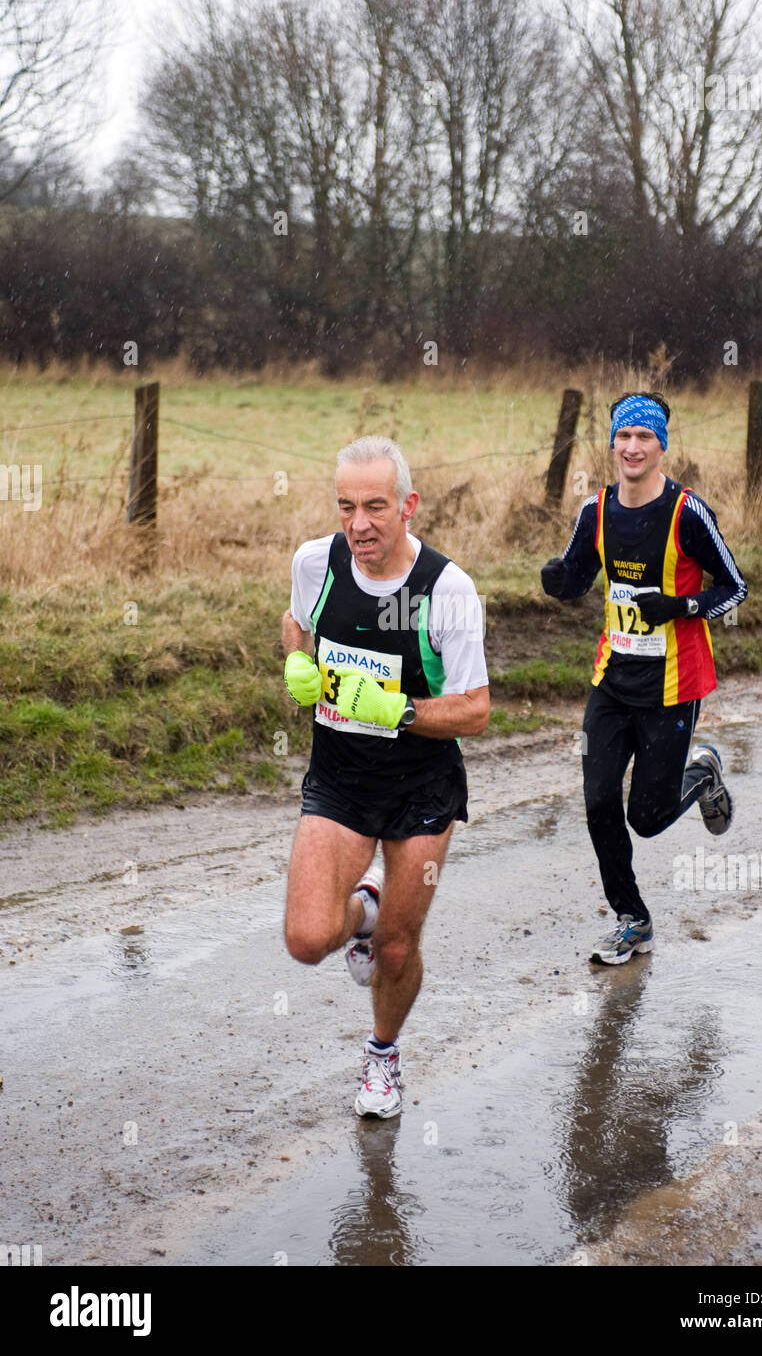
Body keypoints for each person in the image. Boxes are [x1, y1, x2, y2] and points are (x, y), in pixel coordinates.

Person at [281, 436, 490, 1117]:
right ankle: (362, 912)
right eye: (346, 506)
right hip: (339, 777)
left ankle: (380, 1056)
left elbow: (475, 711)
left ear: (408, 506)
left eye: (375, 506)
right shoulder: (316, 562)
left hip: (420, 788)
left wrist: (396, 710)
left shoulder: (446, 590)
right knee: (308, 939)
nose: (358, 523)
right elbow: (296, 623)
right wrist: (295, 663)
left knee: (397, 948)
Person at [541, 392, 748, 965]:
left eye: (644, 438)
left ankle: (701, 773)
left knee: (647, 818)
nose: (632, 447)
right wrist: (559, 581)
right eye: (623, 437)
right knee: (598, 799)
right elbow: (579, 576)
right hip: (611, 681)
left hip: (673, 687)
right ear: (612, 444)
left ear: (661, 446)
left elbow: (734, 588)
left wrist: (679, 607)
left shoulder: (687, 512)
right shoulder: (596, 510)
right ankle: (632, 917)